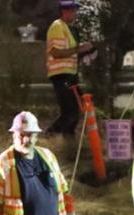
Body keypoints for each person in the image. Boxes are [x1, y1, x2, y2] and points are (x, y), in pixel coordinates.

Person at [45, 0, 93, 136]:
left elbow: (71, 51)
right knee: (70, 112)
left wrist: (86, 51)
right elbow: (55, 52)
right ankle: (50, 136)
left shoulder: (69, 29)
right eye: (73, 11)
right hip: (61, 75)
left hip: (70, 75)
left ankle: (68, 141)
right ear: (64, 12)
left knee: (75, 110)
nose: (75, 14)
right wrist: (79, 49)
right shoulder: (57, 26)